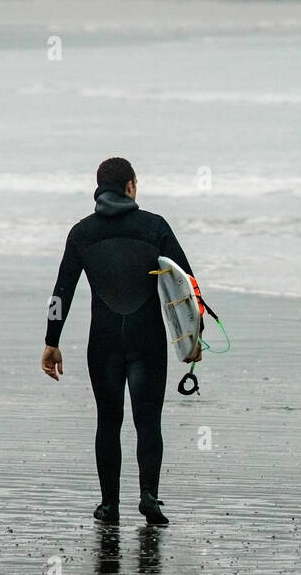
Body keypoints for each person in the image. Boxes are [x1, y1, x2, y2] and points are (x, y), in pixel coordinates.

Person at [41, 157, 200, 526]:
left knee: (108, 421)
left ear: (100, 188)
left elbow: (60, 293)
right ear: (130, 186)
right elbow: (187, 285)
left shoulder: (82, 233)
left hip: (104, 341)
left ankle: (109, 505)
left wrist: (52, 340)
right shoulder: (154, 226)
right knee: (148, 420)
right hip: (148, 340)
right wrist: (194, 338)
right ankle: (149, 497)